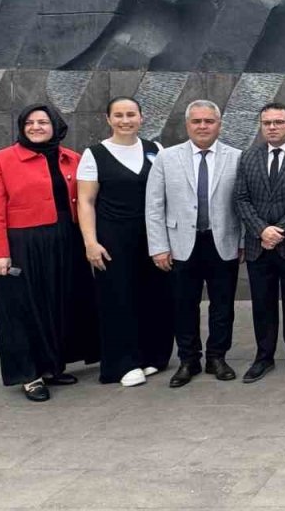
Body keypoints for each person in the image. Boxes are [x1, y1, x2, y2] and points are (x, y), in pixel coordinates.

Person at [0, 105, 99, 402]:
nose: (36, 127)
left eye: (43, 122)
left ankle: (52, 366)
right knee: (23, 309)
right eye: (30, 122)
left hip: (66, 241)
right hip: (22, 244)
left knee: (58, 304)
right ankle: (28, 374)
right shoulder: (1, 161)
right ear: (21, 127)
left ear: (55, 125)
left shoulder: (72, 158)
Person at [145, 100, 243, 388]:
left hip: (223, 241)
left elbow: (244, 203)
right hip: (179, 243)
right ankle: (189, 360)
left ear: (219, 124)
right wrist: (158, 246)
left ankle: (217, 357)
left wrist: (244, 241)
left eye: (209, 121)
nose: (203, 126)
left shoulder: (236, 157)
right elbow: (154, 205)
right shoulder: (166, 158)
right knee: (184, 304)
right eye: (197, 121)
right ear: (187, 125)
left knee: (222, 305)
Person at [77, 97, 170, 388]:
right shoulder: (94, 154)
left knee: (154, 295)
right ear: (108, 119)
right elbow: (86, 201)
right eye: (118, 115)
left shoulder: (157, 150)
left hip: (152, 236)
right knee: (118, 299)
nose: (125, 120)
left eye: (131, 114)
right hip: (113, 238)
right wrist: (90, 242)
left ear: (142, 118)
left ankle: (151, 355)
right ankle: (122, 363)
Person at [232, 102, 285, 383]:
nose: (272, 127)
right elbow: (241, 199)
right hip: (259, 247)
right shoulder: (248, 157)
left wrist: (278, 230)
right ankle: (264, 357)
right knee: (262, 304)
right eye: (267, 123)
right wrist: (261, 231)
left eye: (278, 122)